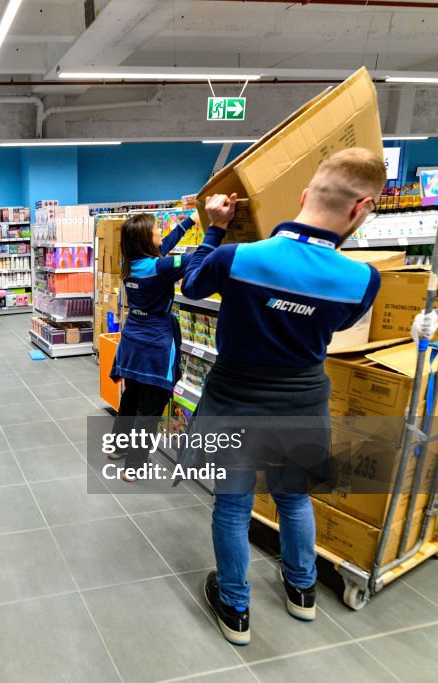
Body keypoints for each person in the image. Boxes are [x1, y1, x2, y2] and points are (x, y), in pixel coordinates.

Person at [180, 148, 386, 645]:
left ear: (303, 196)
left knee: (232, 506)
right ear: (360, 209)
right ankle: (302, 593)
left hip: (235, 394)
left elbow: (189, 284)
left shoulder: (239, 258)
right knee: (294, 498)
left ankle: (235, 610)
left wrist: (215, 228)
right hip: (303, 396)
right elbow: (334, 327)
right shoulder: (363, 279)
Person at [108, 210, 222, 482]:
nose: (161, 230)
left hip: (132, 342)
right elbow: (197, 258)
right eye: (157, 228)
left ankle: (118, 447)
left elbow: (162, 250)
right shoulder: (159, 269)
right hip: (155, 345)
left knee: (131, 396)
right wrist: (216, 231)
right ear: (147, 238)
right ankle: (134, 465)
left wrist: (188, 223)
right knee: (150, 406)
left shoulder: (130, 263)